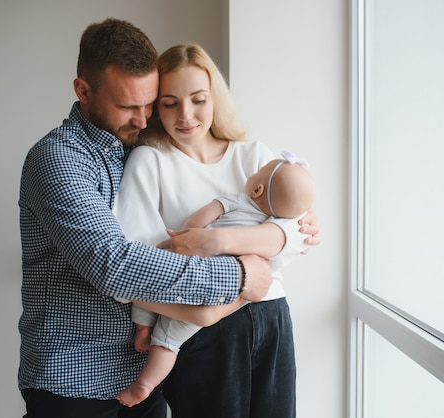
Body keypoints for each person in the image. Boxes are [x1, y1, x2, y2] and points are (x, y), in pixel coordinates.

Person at [17, 18, 296, 418]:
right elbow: (115, 265)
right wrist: (241, 276)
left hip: (142, 377)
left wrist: (286, 229)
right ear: (83, 91)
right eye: (129, 106)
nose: (143, 116)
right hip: (74, 377)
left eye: (150, 103)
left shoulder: (134, 147)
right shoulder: (59, 159)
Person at [114, 43, 315, 418]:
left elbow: (297, 239)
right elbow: (138, 260)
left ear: (215, 99)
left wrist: (217, 240)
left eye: (198, 99)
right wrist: (259, 252)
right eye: (170, 102)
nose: (185, 115)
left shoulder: (253, 155)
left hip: (271, 316)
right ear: (156, 106)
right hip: (195, 327)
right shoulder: (150, 160)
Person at [116, 152, 316, 408]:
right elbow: (292, 233)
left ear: (256, 188)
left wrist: (190, 235)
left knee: (166, 338)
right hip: (243, 294)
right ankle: (144, 383)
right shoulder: (271, 219)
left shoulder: (236, 197)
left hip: (205, 285)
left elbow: (195, 225)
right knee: (171, 338)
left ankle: (144, 350)